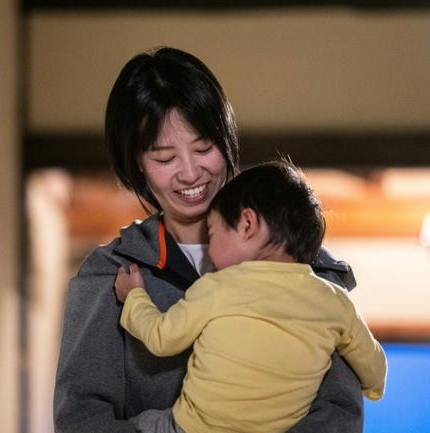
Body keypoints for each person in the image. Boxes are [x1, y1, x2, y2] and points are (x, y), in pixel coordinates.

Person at [54, 47, 364, 433]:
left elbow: (338, 415)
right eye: (165, 159)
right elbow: (81, 418)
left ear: (227, 139)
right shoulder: (110, 275)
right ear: (136, 164)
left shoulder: (307, 267)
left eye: (204, 148)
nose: (190, 173)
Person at [114, 160, 387, 433]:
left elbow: (161, 338)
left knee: (144, 423)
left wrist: (135, 295)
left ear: (247, 224)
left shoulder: (218, 286)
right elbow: (374, 369)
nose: (208, 251)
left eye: (212, 232)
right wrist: (373, 388)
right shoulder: (335, 301)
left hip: (192, 428)